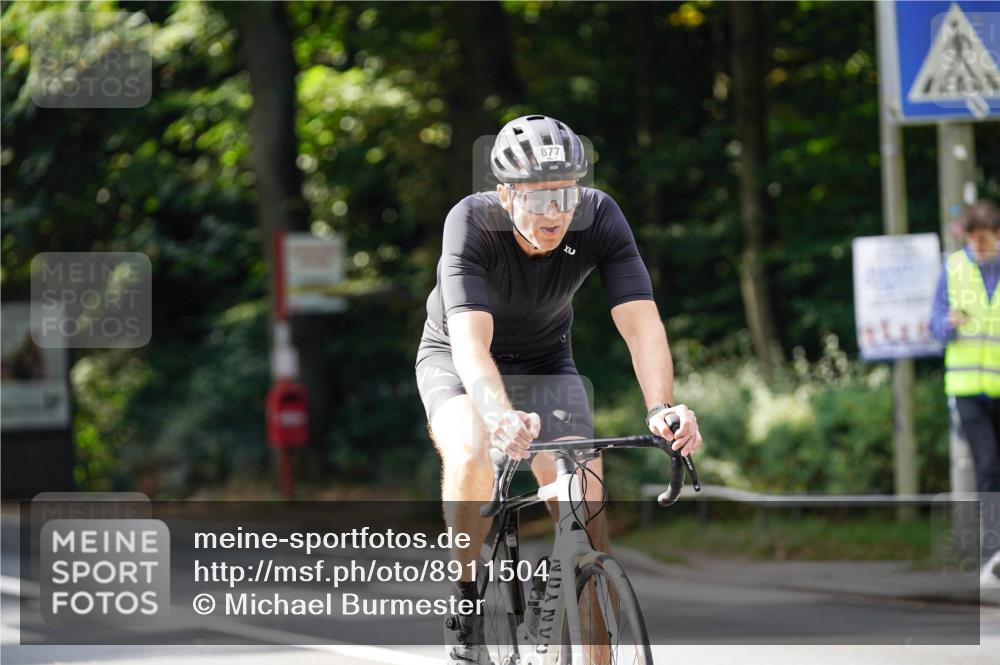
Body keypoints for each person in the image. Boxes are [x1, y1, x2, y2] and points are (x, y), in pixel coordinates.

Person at [415, 114, 703, 664]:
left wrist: (662, 408)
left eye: (566, 194)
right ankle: (466, 595)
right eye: (540, 199)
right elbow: (472, 346)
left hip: (546, 361)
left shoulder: (599, 217)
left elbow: (642, 323)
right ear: (505, 195)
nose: (557, 213)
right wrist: (499, 412)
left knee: (588, 512)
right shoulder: (471, 222)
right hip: (459, 360)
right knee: (472, 448)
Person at [929, 200, 1000, 589]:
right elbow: (933, 324)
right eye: (973, 240)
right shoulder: (954, 268)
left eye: (984, 240)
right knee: (987, 470)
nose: (978, 247)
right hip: (968, 389)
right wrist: (947, 323)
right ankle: (994, 557)